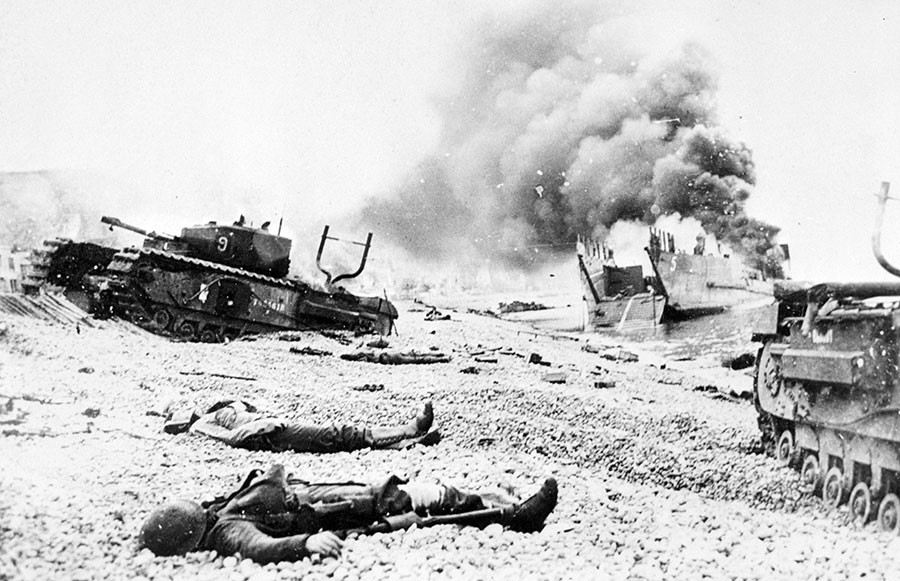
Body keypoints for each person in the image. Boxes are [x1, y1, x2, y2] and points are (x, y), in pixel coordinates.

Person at [138, 463, 558, 562]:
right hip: (323, 513)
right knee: (404, 504)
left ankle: (493, 501)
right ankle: (512, 516)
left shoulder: (215, 515)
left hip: (308, 494)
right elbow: (260, 546)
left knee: (398, 493)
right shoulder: (226, 533)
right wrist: (305, 543)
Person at [166, 399, 439, 452]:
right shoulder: (201, 424)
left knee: (335, 438)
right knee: (335, 434)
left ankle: (406, 443)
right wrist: (263, 428)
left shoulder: (210, 414)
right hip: (271, 434)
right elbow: (233, 437)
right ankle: (409, 429)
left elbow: (242, 408)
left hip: (271, 428)